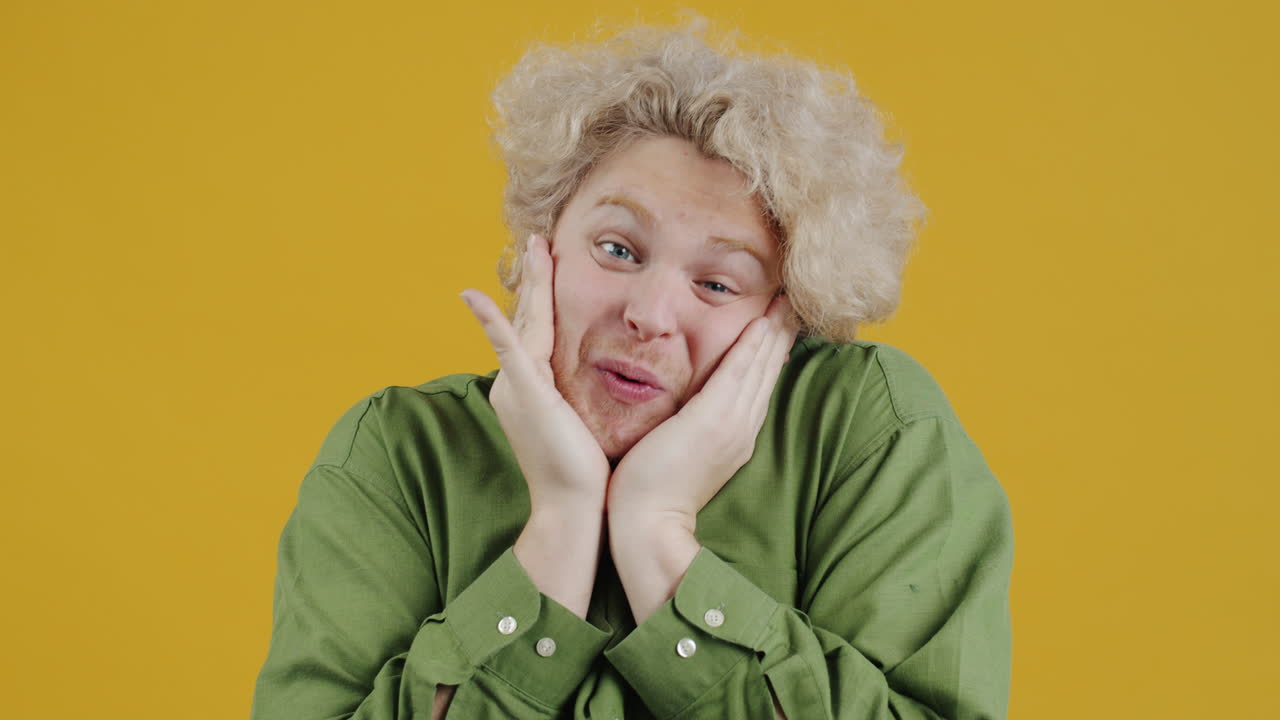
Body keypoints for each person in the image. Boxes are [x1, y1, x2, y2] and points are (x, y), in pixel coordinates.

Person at [250, 19, 1014, 720]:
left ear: (787, 314)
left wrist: (657, 538)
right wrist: (557, 531)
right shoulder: (399, 455)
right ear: (540, 247)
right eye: (617, 249)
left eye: (717, 283)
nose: (648, 313)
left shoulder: (869, 430)